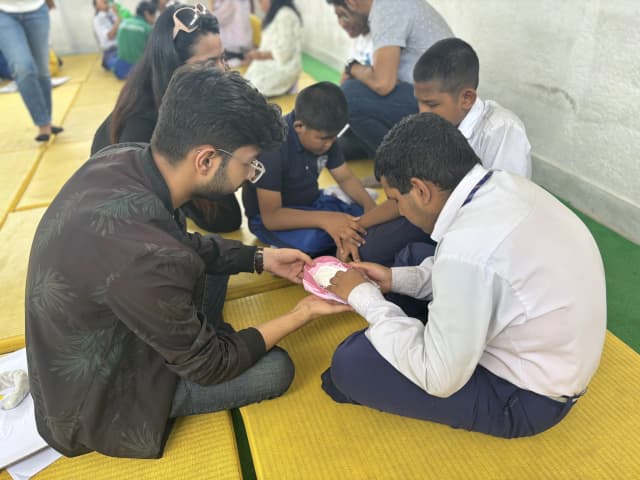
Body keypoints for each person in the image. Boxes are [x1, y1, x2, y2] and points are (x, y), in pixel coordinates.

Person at [25, 63, 352, 459]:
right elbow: (210, 366)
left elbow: (180, 244)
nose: (251, 175)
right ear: (206, 160)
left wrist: (261, 258)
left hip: (115, 322)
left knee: (211, 261)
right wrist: (300, 314)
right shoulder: (146, 259)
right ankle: (193, 342)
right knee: (277, 368)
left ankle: (194, 333)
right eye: (249, 163)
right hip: (98, 398)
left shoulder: (126, 158)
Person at [321, 113, 607, 438]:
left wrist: (365, 297)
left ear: (420, 190)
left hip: (526, 399)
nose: (398, 211)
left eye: (396, 200)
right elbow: (479, 271)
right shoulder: (502, 184)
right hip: (557, 358)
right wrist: (393, 279)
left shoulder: (465, 250)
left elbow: (439, 378)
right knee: (412, 261)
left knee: (350, 363)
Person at [92, 3, 241, 234]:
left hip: (173, 167)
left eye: (222, 58)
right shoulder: (140, 126)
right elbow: (137, 221)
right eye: (207, 63)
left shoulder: (191, 93)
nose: (221, 71)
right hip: (124, 202)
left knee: (226, 218)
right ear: (173, 65)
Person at [242, 82, 376, 257]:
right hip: (271, 219)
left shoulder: (325, 137)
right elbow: (272, 218)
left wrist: (371, 208)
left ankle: (339, 226)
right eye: (324, 139)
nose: (330, 144)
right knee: (316, 241)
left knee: (363, 219)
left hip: (313, 204)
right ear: (299, 127)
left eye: (334, 137)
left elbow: (345, 178)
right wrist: (327, 219)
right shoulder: (272, 148)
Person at [337, 0, 451, 160]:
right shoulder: (386, 8)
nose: (342, 22)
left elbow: (382, 84)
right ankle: (392, 155)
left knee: (348, 96)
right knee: (338, 147)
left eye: (344, 13)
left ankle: (396, 171)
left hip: (436, 107)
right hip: (420, 97)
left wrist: (352, 68)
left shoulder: (387, 7)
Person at [0, 0, 64, 142]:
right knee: (23, 67)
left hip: (36, 9)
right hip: (3, 13)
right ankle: (43, 123)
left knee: (42, 71)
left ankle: (47, 120)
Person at [244, 0, 302, 97]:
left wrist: (260, 55)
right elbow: (268, 46)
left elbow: (284, 53)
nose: (261, 6)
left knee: (253, 92)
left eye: (261, 2)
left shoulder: (286, 15)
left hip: (283, 66)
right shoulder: (275, 15)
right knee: (243, 86)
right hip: (268, 63)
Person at [113, 0, 156, 79]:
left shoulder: (123, 23)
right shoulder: (147, 28)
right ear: (146, 14)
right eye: (153, 16)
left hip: (120, 70)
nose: (154, 19)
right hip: (138, 73)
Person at [92, 0, 122, 71]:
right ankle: (107, 62)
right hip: (111, 52)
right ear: (96, 6)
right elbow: (110, 36)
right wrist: (118, 18)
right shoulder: (98, 19)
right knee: (124, 70)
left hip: (122, 49)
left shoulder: (113, 13)